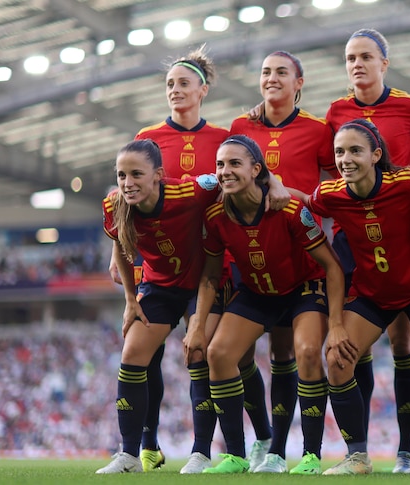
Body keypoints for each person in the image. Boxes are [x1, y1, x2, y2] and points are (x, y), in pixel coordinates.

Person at [132, 47, 273, 474]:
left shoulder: (224, 138)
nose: (175, 91)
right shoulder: (147, 138)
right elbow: (130, 202)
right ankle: (147, 443)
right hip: (159, 267)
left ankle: (210, 448)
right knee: (149, 354)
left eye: (183, 83)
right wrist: (125, 257)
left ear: (202, 90)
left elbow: (250, 174)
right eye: (170, 84)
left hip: (213, 265)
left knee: (214, 354)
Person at [292, 119, 410, 476]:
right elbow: (305, 201)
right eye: (339, 152)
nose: (345, 159)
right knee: (336, 359)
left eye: (354, 150)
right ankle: (357, 457)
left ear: (376, 154)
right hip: (372, 295)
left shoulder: (408, 182)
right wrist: (275, 187)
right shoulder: (331, 194)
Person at [183, 135, 345, 475]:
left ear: (257, 170)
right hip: (258, 293)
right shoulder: (215, 215)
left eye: (234, 164)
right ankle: (237, 456)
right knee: (218, 353)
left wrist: (338, 323)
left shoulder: (288, 210)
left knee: (307, 352)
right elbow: (211, 276)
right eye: (220, 165)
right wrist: (197, 325)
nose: (225, 171)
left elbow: (331, 265)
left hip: (303, 290)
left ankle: (311, 457)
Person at [324, 28, 410, 473]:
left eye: (366, 56)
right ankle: (359, 450)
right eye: (351, 58)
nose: (357, 64)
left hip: (403, 234)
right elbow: (323, 168)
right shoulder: (335, 112)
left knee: (404, 341)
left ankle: (406, 450)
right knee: (352, 347)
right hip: (354, 240)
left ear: (384, 63)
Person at [229, 50, 337, 475]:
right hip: (255, 263)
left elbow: (334, 185)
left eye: (281, 72)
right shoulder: (242, 127)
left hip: (302, 259)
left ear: (299, 82)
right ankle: (265, 441)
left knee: (288, 352)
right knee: (240, 355)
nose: (272, 78)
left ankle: (296, 449)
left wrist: (295, 196)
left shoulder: (317, 130)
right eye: (265, 72)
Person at [96, 139, 221, 474]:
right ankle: (129, 456)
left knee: (198, 351)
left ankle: (201, 453)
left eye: (136, 174)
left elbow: (228, 179)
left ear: (159, 176)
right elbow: (122, 250)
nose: (127, 182)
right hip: (160, 287)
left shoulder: (190, 192)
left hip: (201, 284)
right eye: (121, 175)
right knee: (132, 352)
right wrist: (129, 300)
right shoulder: (113, 204)